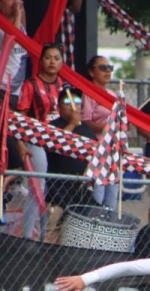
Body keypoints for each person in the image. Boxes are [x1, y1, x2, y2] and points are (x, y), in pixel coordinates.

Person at [17, 44, 66, 239]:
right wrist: (21, 144)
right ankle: (27, 237)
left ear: (62, 63)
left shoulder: (64, 85)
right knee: (38, 188)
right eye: (48, 57)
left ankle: (46, 236)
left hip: (60, 140)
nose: (52, 61)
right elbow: (20, 117)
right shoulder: (30, 84)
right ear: (41, 60)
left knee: (53, 188)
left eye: (56, 58)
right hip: (36, 139)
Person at [43, 86, 98, 243]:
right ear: (59, 107)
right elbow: (55, 146)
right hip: (56, 192)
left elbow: (94, 156)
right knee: (52, 232)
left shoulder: (87, 130)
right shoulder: (52, 126)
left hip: (80, 192)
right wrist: (72, 124)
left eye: (77, 101)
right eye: (68, 102)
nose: (73, 105)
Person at [81, 55, 119, 210]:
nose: (108, 71)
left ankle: (109, 223)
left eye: (110, 68)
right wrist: (108, 128)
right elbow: (85, 122)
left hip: (112, 151)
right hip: (96, 150)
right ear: (91, 72)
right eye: (103, 68)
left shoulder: (113, 95)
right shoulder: (89, 93)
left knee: (112, 198)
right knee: (98, 196)